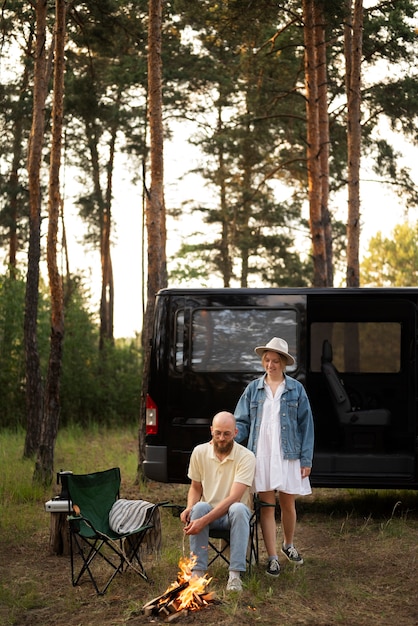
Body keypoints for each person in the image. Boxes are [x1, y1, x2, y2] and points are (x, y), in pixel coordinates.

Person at [234, 337, 314, 577]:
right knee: (267, 506)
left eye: (275, 361)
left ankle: (288, 544)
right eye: (267, 360)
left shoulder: (296, 389)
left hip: (288, 455)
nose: (271, 364)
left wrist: (306, 459)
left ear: (284, 363)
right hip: (261, 456)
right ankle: (272, 557)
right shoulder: (253, 389)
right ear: (263, 362)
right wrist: (230, 441)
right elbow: (242, 421)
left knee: (287, 503)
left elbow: (306, 425)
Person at [180, 411, 256, 592]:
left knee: (238, 508)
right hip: (208, 513)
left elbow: (234, 498)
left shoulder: (246, 456)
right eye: (218, 433)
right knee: (199, 507)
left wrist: (202, 522)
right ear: (211, 431)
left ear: (236, 433)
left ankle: (235, 575)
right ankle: (197, 573)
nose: (222, 438)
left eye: (227, 434)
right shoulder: (199, 452)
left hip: (234, 516)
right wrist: (190, 507)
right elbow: (196, 487)